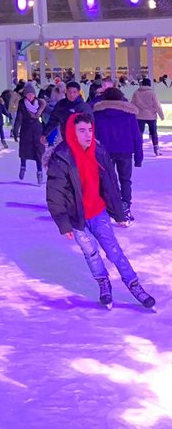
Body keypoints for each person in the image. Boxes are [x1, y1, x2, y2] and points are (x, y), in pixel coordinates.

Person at [45, 114, 155, 310]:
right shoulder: (62, 157)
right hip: (76, 219)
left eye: (90, 130)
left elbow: (111, 185)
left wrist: (119, 214)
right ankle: (103, 283)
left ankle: (134, 284)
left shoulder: (99, 151)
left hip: (98, 213)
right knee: (91, 253)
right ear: (72, 132)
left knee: (114, 251)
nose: (88, 135)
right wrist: (63, 224)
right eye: (82, 130)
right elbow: (55, 194)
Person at [93, 87, 142, 222]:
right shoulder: (129, 114)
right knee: (125, 180)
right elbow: (136, 136)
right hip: (125, 151)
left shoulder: (98, 115)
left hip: (104, 152)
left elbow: (94, 136)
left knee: (107, 181)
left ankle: (108, 208)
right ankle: (125, 208)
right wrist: (138, 157)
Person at [13, 83, 47, 183]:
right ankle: (23, 167)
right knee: (24, 150)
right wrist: (15, 130)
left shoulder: (40, 104)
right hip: (26, 129)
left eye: (32, 94)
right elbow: (18, 118)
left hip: (37, 129)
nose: (30, 96)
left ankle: (39, 173)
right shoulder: (22, 104)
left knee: (39, 152)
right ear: (25, 95)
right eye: (28, 94)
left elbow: (51, 112)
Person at [41, 81, 90, 145]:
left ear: (78, 93)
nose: (71, 94)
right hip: (64, 138)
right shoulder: (61, 105)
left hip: (80, 140)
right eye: (69, 92)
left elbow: (90, 123)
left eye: (74, 92)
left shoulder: (83, 106)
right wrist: (45, 134)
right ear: (66, 92)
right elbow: (53, 120)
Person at [131, 78, 164, 156]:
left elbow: (132, 104)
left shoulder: (136, 93)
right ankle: (156, 150)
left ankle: (138, 149)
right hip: (151, 116)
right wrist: (161, 115)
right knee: (153, 133)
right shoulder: (152, 93)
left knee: (139, 134)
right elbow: (157, 105)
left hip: (139, 116)